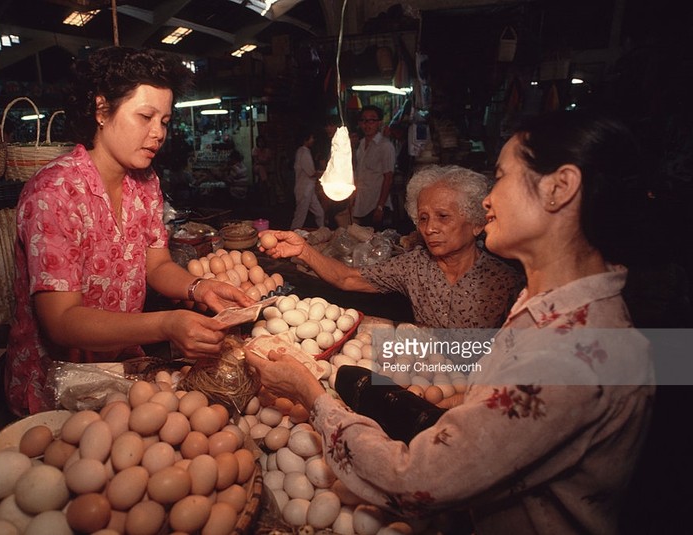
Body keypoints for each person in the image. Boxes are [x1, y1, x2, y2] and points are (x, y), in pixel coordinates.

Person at [247, 110, 655, 534]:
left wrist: (310, 395)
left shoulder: (569, 350)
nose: (488, 199)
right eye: (424, 218)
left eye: (500, 176)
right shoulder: (552, 307)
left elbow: (415, 481)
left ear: (560, 188)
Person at [5, 47, 254, 416]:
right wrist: (167, 324)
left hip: (120, 371)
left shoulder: (145, 183)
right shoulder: (54, 193)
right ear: (102, 110)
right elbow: (61, 321)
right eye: (145, 116)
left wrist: (198, 287)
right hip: (58, 383)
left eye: (165, 120)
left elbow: (156, 266)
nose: (158, 133)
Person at [263, 165, 523, 328]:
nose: (430, 228)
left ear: (477, 223)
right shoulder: (415, 265)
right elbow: (348, 278)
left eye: (443, 217)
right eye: (423, 218)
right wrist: (304, 251)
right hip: (426, 374)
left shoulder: (504, 282)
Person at [352, 105, 396, 229]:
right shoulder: (361, 145)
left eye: (371, 120)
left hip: (376, 206)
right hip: (361, 204)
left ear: (379, 123)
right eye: (364, 120)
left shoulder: (385, 146)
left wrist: (380, 206)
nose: (367, 124)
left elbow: (388, 177)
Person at [290, 127, 325, 230]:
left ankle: (322, 231)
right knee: (300, 216)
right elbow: (311, 173)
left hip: (308, 189)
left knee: (320, 213)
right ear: (306, 139)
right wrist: (325, 173)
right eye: (312, 138)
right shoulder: (303, 152)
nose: (313, 140)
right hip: (304, 189)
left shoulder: (303, 151)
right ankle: (292, 234)